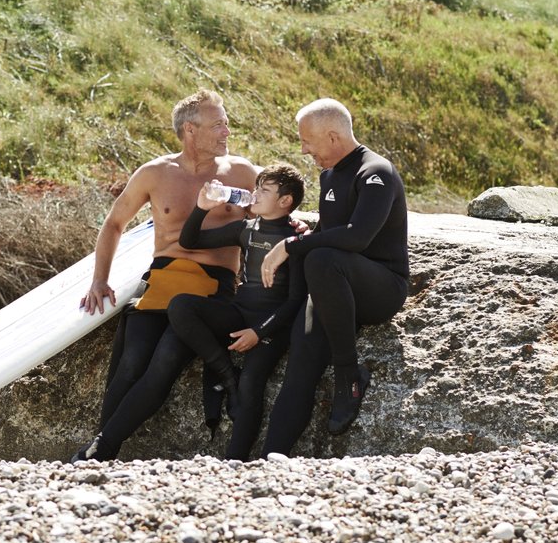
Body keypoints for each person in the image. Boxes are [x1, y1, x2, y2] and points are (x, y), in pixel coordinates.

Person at [76, 89, 259, 453]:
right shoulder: (155, 173)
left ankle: (101, 449)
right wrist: (100, 279)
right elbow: (114, 224)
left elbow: (278, 213)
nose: (227, 132)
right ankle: (100, 449)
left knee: (165, 362)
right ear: (190, 130)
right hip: (161, 284)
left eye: (226, 124)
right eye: (218, 125)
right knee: (130, 364)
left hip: (209, 290)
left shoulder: (242, 172)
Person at [259, 98, 409, 453]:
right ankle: (268, 461)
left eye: (307, 141)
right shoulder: (329, 175)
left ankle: (348, 373)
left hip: (380, 289)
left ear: (331, 136)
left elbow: (356, 238)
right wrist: (301, 235)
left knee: (321, 258)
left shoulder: (376, 172)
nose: (303, 149)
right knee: (301, 363)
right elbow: (329, 232)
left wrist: (292, 247)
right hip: (334, 289)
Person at [168, 164, 308, 460]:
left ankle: (234, 461)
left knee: (251, 383)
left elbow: (296, 300)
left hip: (272, 325)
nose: (254, 194)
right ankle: (226, 373)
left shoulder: (294, 242)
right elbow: (189, 241)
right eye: (256, 188)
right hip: (238, 312)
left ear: (285, 201)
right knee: (180, 305)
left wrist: (259, 333)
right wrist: (201, 208)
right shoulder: (246, 228)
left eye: (264, 191)